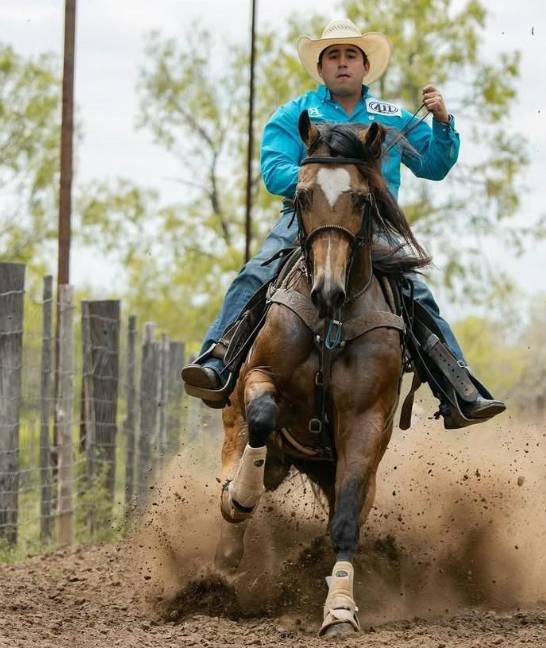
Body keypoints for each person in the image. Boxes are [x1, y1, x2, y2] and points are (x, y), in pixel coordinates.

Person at [181, 18, 504, 427]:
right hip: (307, 218)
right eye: (333, 56)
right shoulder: (295, 113)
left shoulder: (392, 116)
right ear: (321, 68)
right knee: (257, 271)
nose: (343, 62)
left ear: (366, 66)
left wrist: (441, 122)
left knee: (416, 291)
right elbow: (274, 170)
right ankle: (218, 359)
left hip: (374, 222)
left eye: (351, 55)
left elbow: (434, 165)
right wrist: (321, 185)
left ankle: (459, 386)